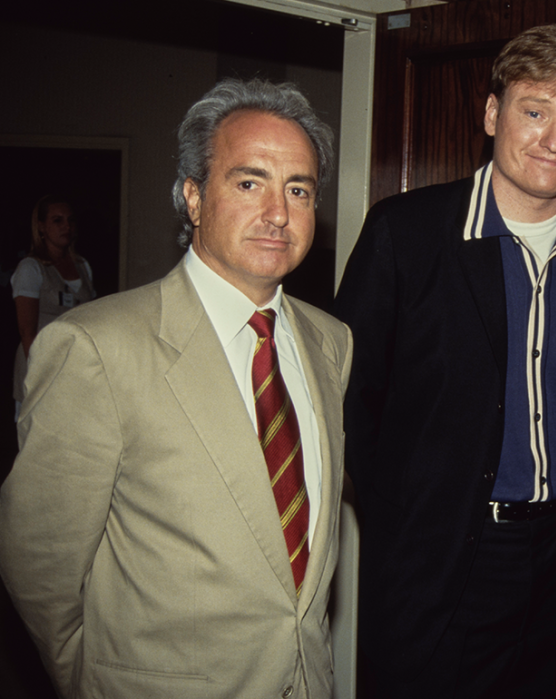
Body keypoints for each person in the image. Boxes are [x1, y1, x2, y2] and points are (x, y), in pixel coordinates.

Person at [0, 78, 352, 699]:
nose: (279, 211)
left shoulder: (331, 342)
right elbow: (39, 564)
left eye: (298, 189)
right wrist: (92, 681)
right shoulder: (97, 348)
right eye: (249, 183)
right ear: (193, 198)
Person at [333, 23, 556, 699]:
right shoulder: (404, 234)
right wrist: (404, 521)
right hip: (438, 563)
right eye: (535, 112)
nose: (555, 141)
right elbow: (345, 401)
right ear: (493, 113)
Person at [11, 195, 95, 417]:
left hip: (74, 367)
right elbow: (27, 332)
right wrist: (42, 377)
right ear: (41, 227)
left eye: (70, 220)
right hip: (42, 368)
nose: (66, 226)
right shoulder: (31, 268)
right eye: (57, 220)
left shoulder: (82, 266)